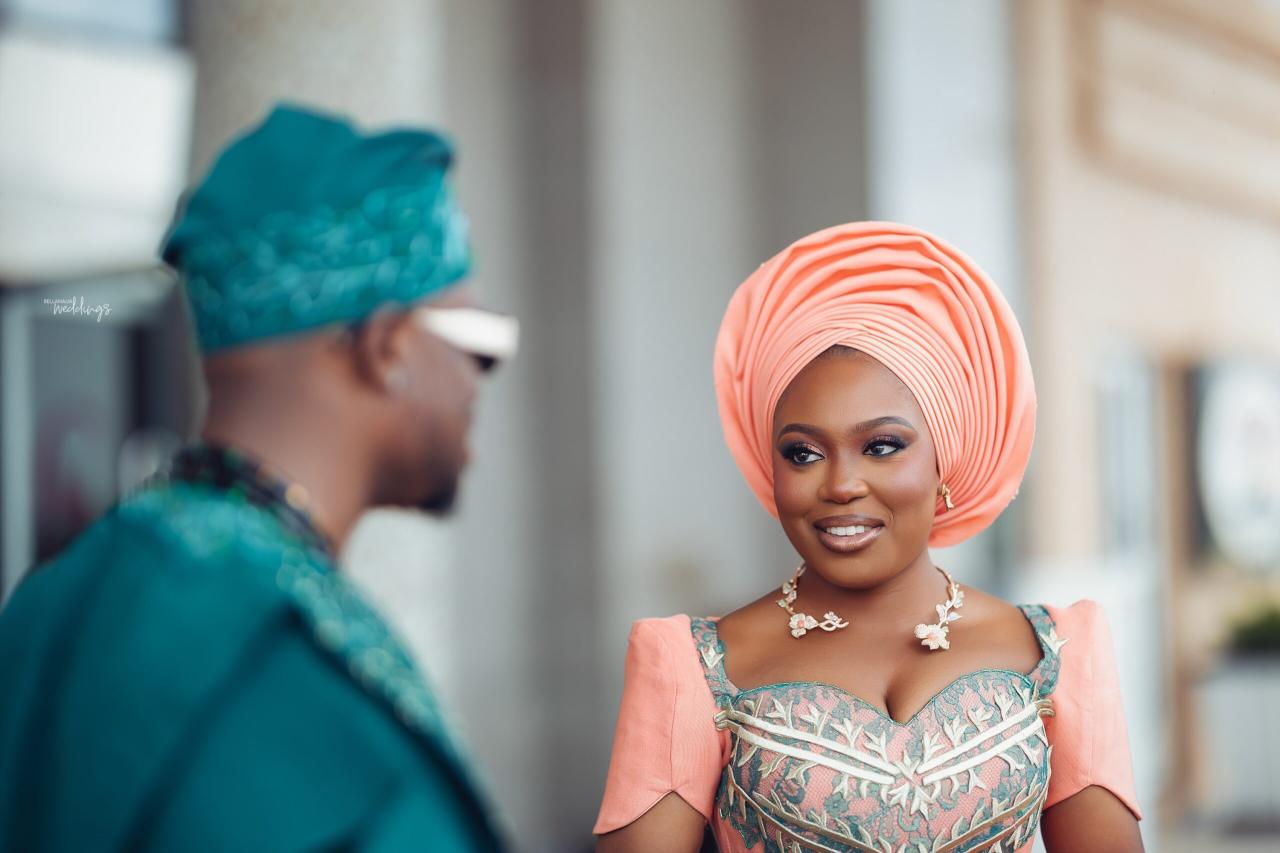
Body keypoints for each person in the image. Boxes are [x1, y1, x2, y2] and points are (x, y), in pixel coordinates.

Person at [0, 104, 517, 852]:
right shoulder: (288, 682)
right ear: (386, 346)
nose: (480, 378)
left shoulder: (53, 603)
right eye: (477, 341)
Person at [594, 223, 1143, 852]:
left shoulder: (1057, 651)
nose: (841, 485)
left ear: (945, 460)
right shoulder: (690, 665)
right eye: (803, 454)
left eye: (882, 446)